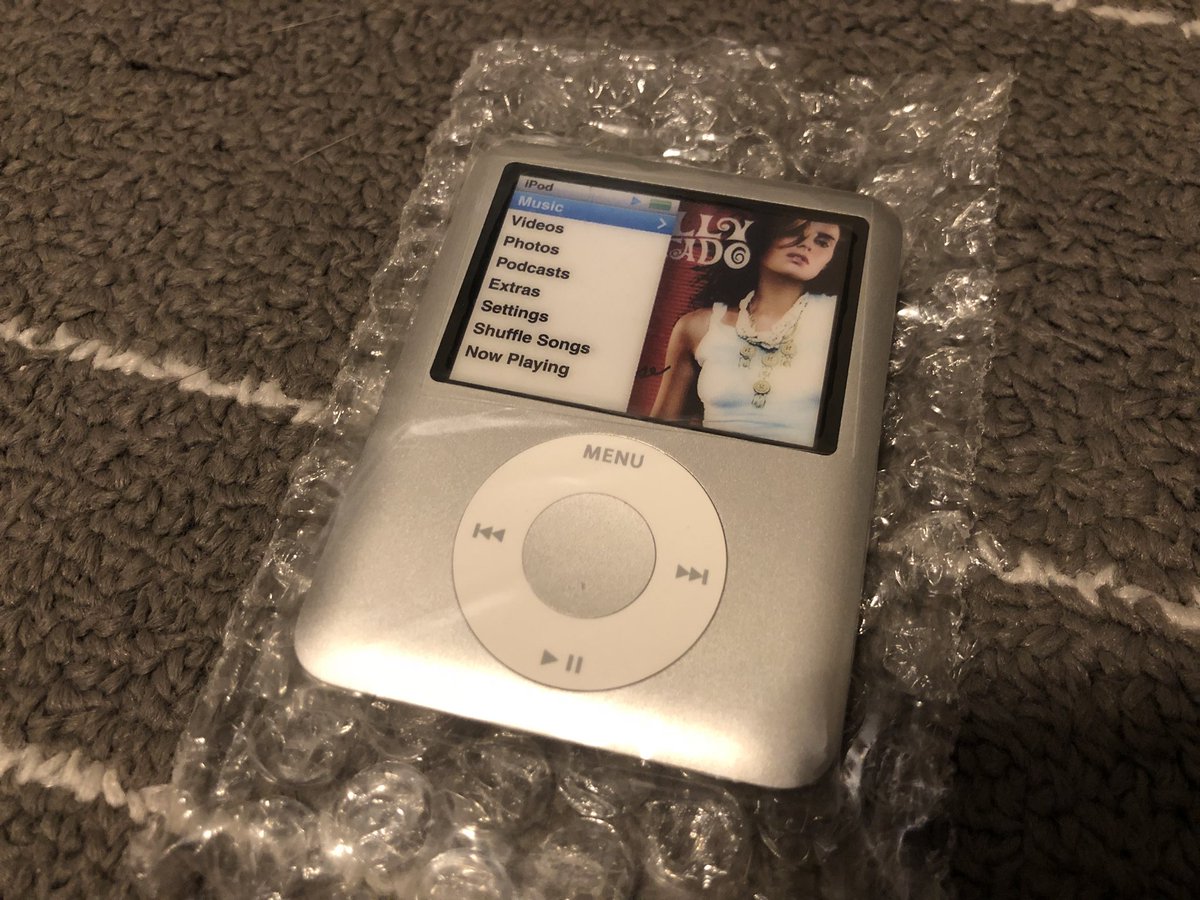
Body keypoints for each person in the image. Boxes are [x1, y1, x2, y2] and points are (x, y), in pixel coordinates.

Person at [648, 217, 847, 446]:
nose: (806, 245)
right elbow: (658, 437)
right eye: (794, 231)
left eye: (822, 242)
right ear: (762, 235)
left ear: (830, 260)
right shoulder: (697, 327)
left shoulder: (836, 321)